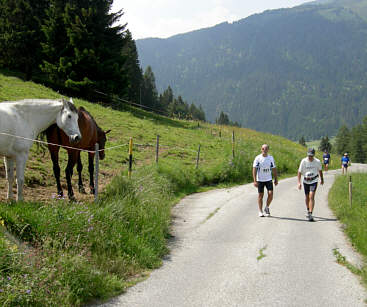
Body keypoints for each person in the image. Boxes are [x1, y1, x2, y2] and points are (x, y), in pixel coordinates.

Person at [297, 148, 324, 222]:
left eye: (311, 156)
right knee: (307, 197)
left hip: (314, 180)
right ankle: (308, 210)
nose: (310, 157)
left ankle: (310, 213)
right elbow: (299, 172)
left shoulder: (317, 161)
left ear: (314, 155)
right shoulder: (304, 161)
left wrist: (322, 179)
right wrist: (299, 182)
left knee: (311, 196)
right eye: (309, 156)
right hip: (306, 181)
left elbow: (320, 171)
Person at [253, 144, 278, 217]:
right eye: (263, 149)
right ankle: (260, 211)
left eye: (266, 149)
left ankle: (267, 207)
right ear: (261, 149)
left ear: (268, 150)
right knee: (261, 195)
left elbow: (274, 169)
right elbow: (254, 169)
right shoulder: (258, 158)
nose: (264, 150)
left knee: (270, 194)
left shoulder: (270, 158)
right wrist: (254, 180)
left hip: (268, 179)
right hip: (260, 179)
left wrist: (276, 179)